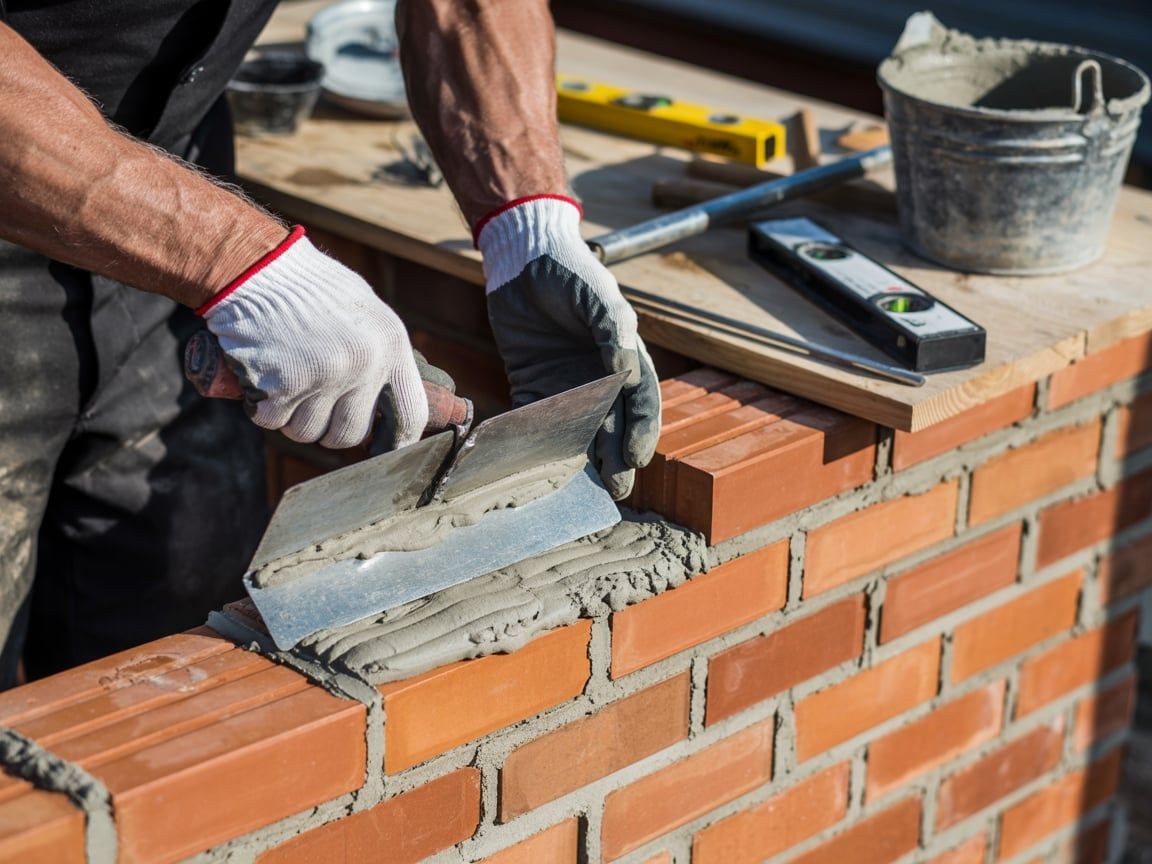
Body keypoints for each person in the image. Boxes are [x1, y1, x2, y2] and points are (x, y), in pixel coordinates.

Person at [0, 0, 661, 688]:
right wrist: (240, 262)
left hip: (172, 222)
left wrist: (527, 223)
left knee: (179, 662)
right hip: (48, 203)